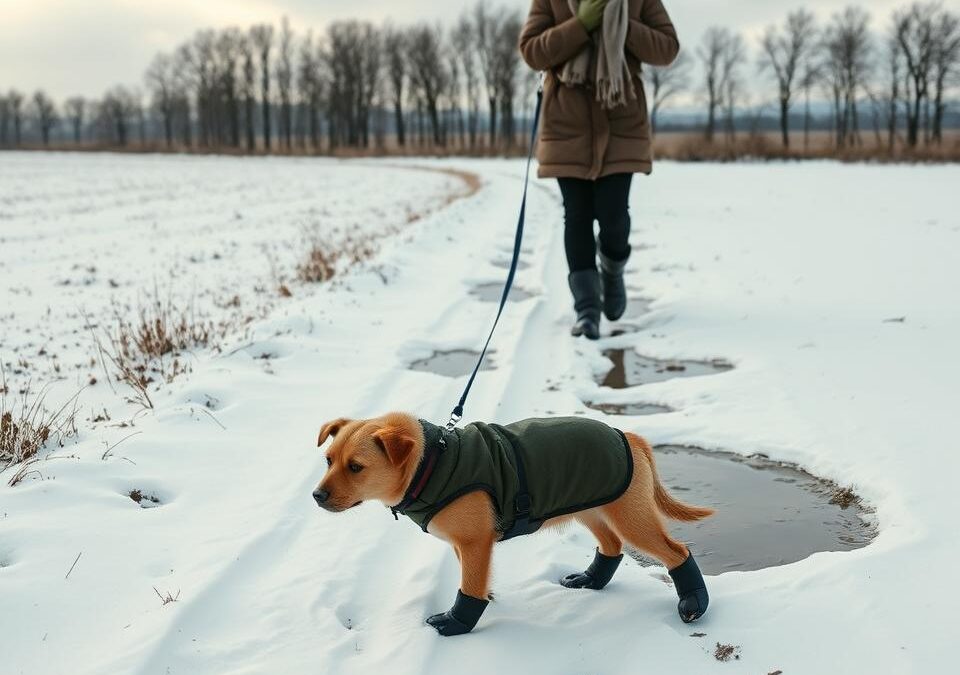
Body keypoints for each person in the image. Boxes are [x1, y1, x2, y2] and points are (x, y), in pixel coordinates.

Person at [519, 0, 679, 339]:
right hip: (567, 124)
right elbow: (532, 51)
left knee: (614, 215)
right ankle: (587, 310)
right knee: (576, 215)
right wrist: (581, 24)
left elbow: (667, 48)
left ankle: (612, 269)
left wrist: (618, 21)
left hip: (621, 118)